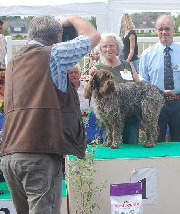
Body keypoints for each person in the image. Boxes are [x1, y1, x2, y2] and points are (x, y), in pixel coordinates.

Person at [1, 15, 100, 214]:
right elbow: (93, 36)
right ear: (57, 38)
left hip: (10, 154)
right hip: (39, 153)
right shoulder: (53, 54)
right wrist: (71, 18)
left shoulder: (13, 62)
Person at [139, 14, 180, 142]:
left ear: (174, 29)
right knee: (155, 145)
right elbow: (143, 87)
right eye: (160, 29)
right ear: (156, 31)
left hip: (179, 104)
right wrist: (143, 115)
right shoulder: (147, 55)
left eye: (167, 28)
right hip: (155, 105)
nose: (164, 32)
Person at [92, 33, 141, 144]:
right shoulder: (97, 69)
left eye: (111, 46)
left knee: (132, 151)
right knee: (112, 151)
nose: (108, 49)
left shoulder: (128, 65)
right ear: (101, 49)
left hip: (131, 118)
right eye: (104, 46)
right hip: (109, 120)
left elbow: (139, 86)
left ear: (118, 48)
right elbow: (93, 93)